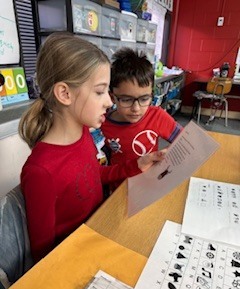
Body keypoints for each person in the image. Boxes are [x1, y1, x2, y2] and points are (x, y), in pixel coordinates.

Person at [19, 33, 164, 263]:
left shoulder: (84, 134)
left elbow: (93, 176)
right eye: (100, 92)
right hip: (77, 259)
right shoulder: (40, 171)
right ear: (65, 94)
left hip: (101, 230)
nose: (109, 101)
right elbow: (44, 255)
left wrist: (137, 165)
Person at [101, 48, 183, 188]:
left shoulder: (157, 116)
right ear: (112, 97)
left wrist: (169, 154)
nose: (136, 109)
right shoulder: (102, 125)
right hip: (119, 189)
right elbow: (100, 170)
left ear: (152, 94)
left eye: (144, 99)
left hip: (150, 185)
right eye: (126, 100)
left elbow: (184, 140)